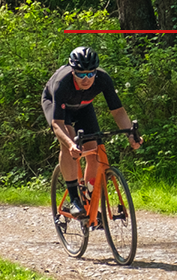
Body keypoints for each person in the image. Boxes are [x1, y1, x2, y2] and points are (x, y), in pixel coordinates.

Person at [42, 46, 142, 218]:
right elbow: (57, 124)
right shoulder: (62, 84)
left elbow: (117, 111)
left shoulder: (103, 79)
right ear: (73, 71)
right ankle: (74, 199)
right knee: (69, 145)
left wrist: (130, 135)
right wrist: (71, 144)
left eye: (90, 73)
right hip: (58, 108)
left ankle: (88, 197)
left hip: (83, 107)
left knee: (93, 149)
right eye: (81, 74)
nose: (86, 78)